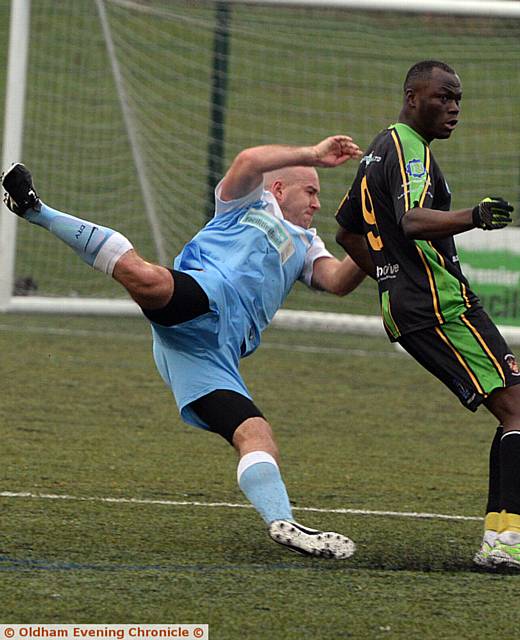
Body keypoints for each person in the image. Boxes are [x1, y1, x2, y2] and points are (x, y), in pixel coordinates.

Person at [2, 134, 366, 559]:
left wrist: (376, 243)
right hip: (202, 297)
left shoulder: (307, 246)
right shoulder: (245, 204)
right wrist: (313, 155)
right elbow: (249, 159)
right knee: (150, 279)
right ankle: (34, 210)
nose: (318, 203)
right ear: (279, 190)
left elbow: (339, 281)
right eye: (312, 191)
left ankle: (282, 521)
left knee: (255, 434)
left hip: (212, 354)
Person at [335, 59, 520, 570]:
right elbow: (413, 219)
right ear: (412, 97)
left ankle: (506, 536)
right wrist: (475, 217)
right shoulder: (406, 148)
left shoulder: (377, 151)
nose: (454, 107)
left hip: (415, 304)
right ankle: (505, 541)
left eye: (458, 98)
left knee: (515, 407)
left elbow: (347, 231)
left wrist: (392, 277)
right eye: (443, 96)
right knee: (517, 408)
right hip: (439, 305)